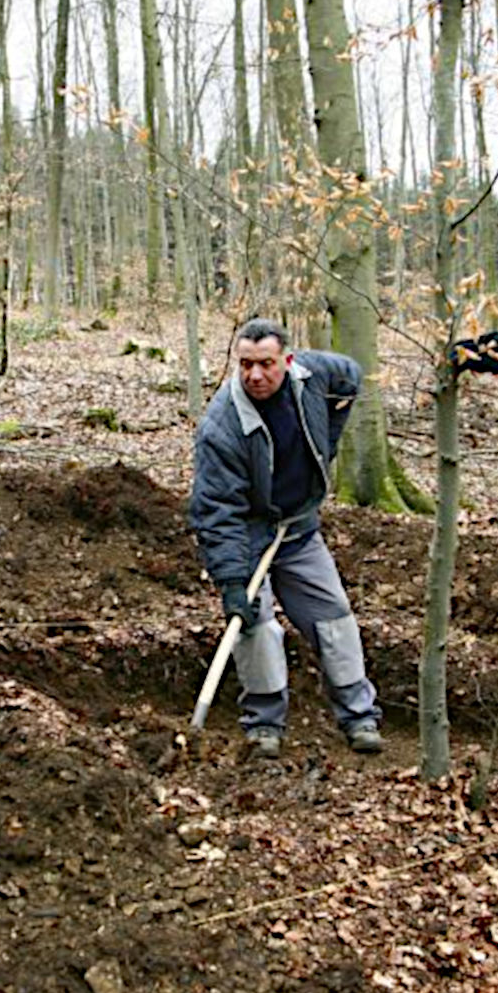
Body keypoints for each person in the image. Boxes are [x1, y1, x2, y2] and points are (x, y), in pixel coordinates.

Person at [189, 319, 384, 759]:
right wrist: (234, 581)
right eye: (245, 365)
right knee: (255, 628)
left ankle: (360, 716)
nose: (255, 375)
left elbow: (350, 377)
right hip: (251, 532)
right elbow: (218, 512)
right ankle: (264, 726)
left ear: (287, 361)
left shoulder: (314, 377)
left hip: (298, 527)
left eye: (265, 364)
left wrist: (327, 443)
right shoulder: (223, 425)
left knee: (334, 619)